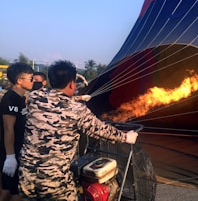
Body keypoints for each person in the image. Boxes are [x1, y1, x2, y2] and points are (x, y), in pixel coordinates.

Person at [18, 60, 138, 201]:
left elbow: (54, 100)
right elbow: (100, 129)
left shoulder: (35, 98)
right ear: (71, 84)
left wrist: (78, 97)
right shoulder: (77, 110)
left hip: (26, 175)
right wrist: (125, 137)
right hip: (53, 180)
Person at [0, 62, 34, 201]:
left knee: (9, 188)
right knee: (16, 192)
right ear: (19, 81)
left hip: (18, 149)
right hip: (10, 151)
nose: (33, 82)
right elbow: (8, 128)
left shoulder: (20, 98)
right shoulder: (10, 99)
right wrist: (10, 157)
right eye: (30, 79)